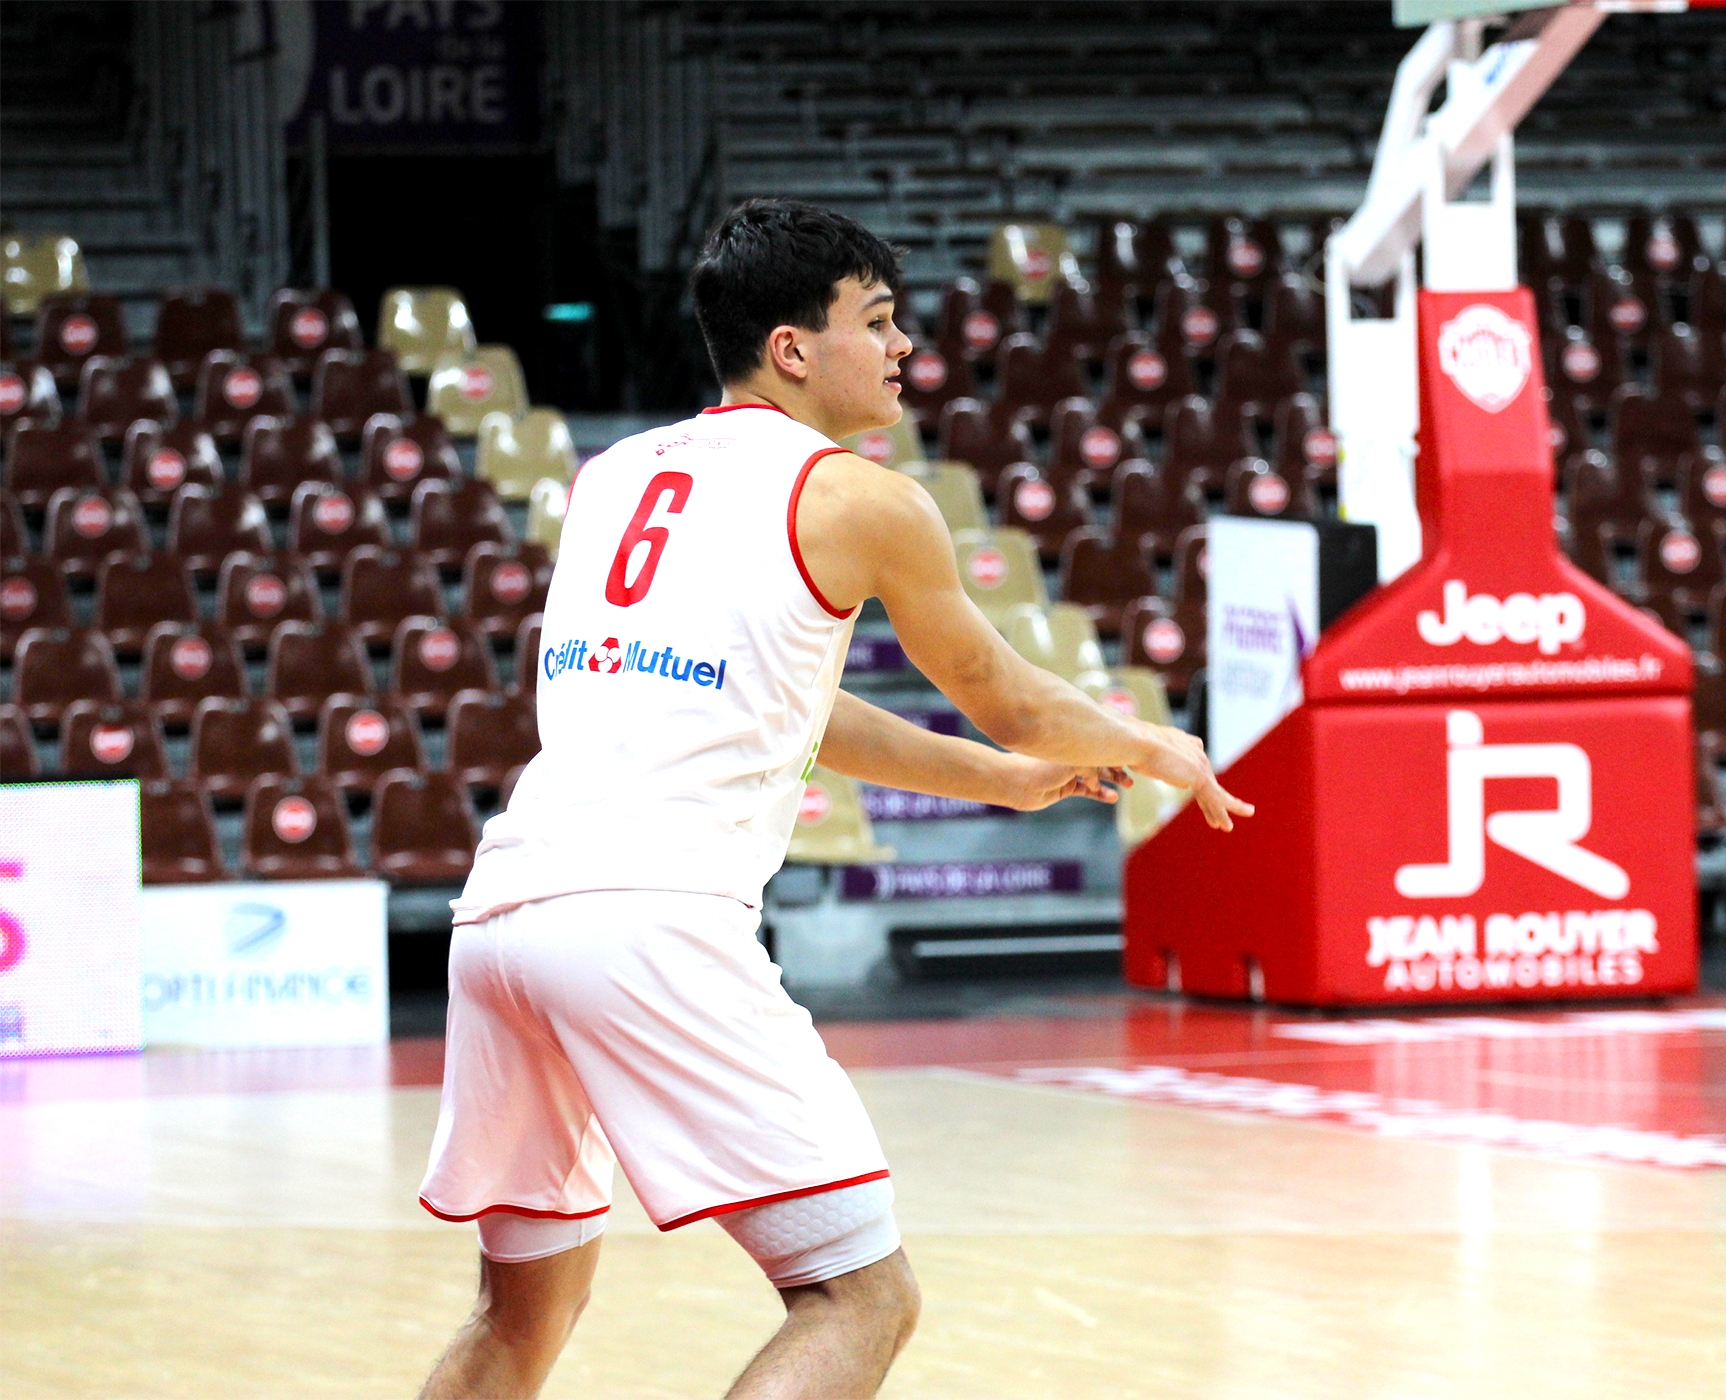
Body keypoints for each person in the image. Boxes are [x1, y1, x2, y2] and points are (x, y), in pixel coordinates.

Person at [414, 197, 1252, 1400]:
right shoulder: (859, 496)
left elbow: (786, 706)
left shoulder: (612, 477)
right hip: (651, 918)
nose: (905, 344)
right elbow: (1007, 690)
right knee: (862, 1295)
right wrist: (1147, 739)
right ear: (793, 348)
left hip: (503, 916)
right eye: (879, 318)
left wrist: (1005, 781)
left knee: (519, 1313)